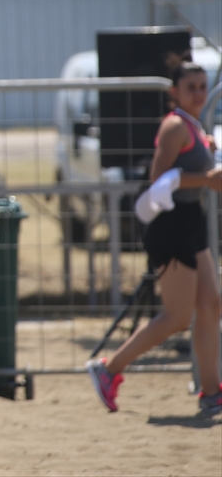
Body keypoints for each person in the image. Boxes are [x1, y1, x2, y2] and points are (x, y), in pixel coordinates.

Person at [86, 61, 222, 415]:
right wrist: (208, 178)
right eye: (191, 87)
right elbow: (159, 179)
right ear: (173, 92)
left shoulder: (193, 124)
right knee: (177, 317)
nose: (198, 93)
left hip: (190, 220)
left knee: (211, 304)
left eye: (203, 86)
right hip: (171, 225)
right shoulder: (176, 126)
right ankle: (108, 368)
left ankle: (211, 391)